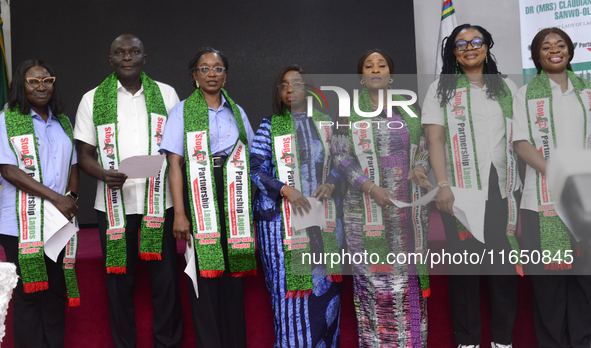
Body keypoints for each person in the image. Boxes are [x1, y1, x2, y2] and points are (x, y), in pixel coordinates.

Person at [74, 34, 182, 348]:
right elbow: (84, 155)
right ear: (111, 60)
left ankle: (168, 343)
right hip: (113, 205)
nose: (127, 57)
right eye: (119, 52)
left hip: (159, 203)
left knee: (166, 284)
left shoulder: (166, 94)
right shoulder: (92, 98)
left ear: (143, 59)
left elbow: (177, 149)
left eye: (133, 51)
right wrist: (103, 174)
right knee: (119, 285)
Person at [422, 24, 520, 348]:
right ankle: (468, 341)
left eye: (476, 41)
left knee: (502, 267)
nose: (469, 47)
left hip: (502, 189)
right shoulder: (441, 89)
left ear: (487, 46)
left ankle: (503, 341)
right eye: (461, 44)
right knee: (465, 268)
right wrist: (443, 185)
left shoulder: (505, 86)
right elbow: (434, 139)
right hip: (461, 191)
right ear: (453, 52)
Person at [331, 49, 431, 347]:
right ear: (361, 77)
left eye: (382, 65)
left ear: (391, 75)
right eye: (368, 66)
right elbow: (341, 157)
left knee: (407, 283)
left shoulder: (410, 111)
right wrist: (370, 187)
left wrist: (420, 167)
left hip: (407, 213)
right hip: (363, 214)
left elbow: (425, 147)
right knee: (374, 285)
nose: (375, 70)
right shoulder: (347, 113)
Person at [160, 47, 256, 348]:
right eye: (204, 69)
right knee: (204, 277)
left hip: (234, 194)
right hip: (199, 190)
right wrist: (179, 213)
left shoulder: (236, 112)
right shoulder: (182, 112)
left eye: (217, 69)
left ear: (225, 76)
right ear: (194, 76)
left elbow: (251, 157)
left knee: (233, 277)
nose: (211, 74)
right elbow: (174, 163)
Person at [249, 65, 344, 347]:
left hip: (324, 222)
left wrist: (332, 182)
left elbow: (342, 164)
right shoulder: (268, 126)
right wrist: (285, 189)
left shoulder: (326, 124)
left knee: (327, 294)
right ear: (278, 93)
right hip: (281, 228)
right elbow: (255, 168)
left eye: (298, 83)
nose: (291, 89)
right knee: (290, 296)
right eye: (284, 85)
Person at [513, 27, 591, 348]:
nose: (554, 49)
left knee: (585, 286)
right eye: (546, 46)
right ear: (537, 55)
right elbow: (521, 144)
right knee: (549, 290)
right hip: (540, 205)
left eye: (561, 45)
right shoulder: (524, 94)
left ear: (571, 52)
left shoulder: (588, 91)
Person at [0, 59, 79, 347]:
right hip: (21, 222)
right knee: (30, 294)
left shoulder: (63, 122)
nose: (41, 87)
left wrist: (70, 197)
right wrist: (57, 198)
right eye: (33, 81)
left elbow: (73, 166)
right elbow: (8, 170)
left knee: (55, 292)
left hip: (58, 221)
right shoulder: (5, 120)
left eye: (47, 80)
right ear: (21, 86)